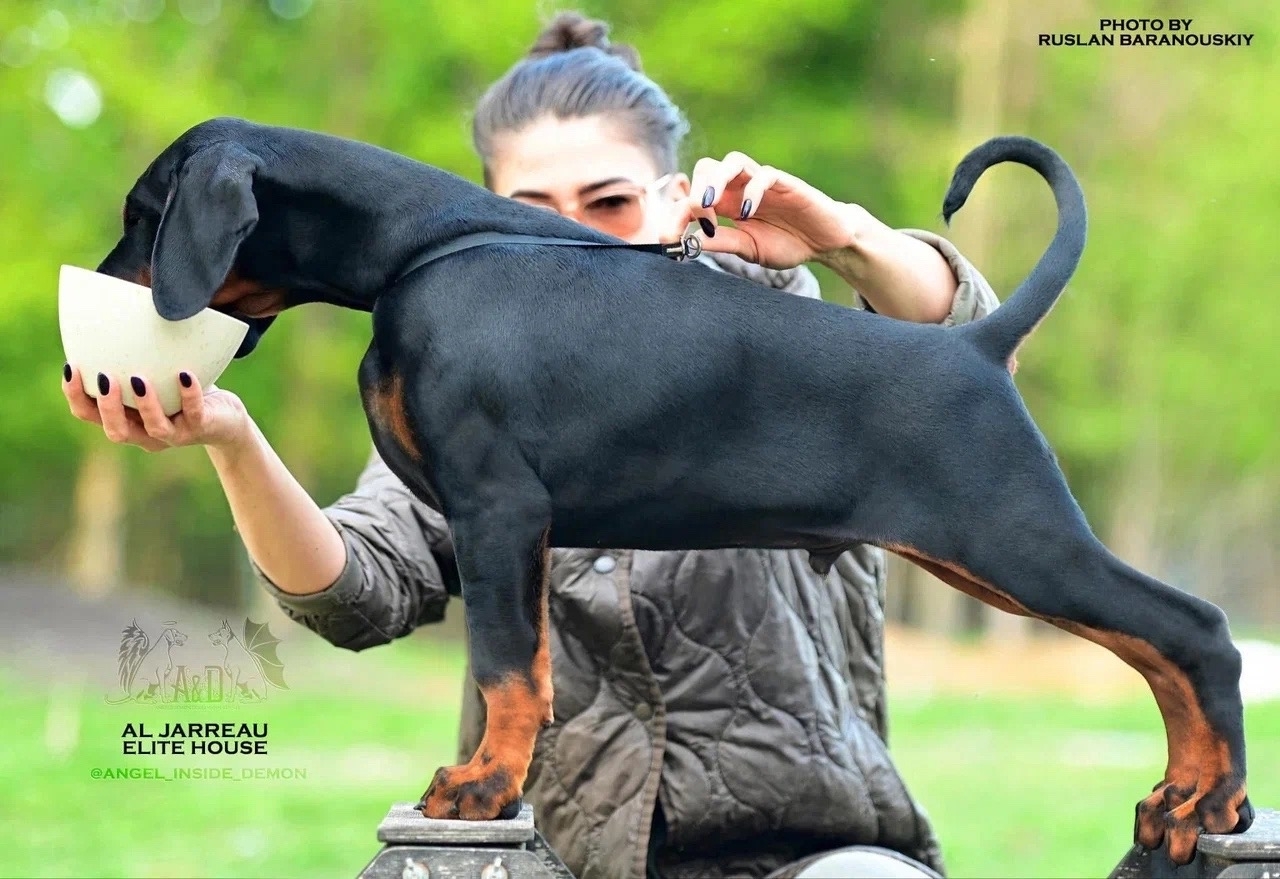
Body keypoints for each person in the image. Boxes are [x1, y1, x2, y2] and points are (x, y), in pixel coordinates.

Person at [64, 12, 1000, 879]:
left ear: (675, 199)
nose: (564, 234)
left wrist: (847, 241)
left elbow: (966, 359)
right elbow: (357, 593)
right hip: (544, 859)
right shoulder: (454, 378)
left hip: (807, 855)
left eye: (608, 201)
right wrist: (230, 436)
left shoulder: (770, 322)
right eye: (532, 206)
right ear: (480, 217)